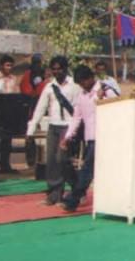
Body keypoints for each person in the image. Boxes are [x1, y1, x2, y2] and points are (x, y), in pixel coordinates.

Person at [26, 56, 82, 206]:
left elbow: (78, 108)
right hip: (53, 126)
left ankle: (77, 187)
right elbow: (40, 108)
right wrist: (31, 130)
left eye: (59, 69)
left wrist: (75, 129)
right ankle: (54, 194)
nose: (57, 72)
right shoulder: (49, 87)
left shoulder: (74, 86)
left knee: (62, 159)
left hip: (68, 126)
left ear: (65, 69)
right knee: (51, 160)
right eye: (54, 69)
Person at [60, 65, 99, 212]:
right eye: (80, 83)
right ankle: (75, 196)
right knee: (86, 169)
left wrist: (102, 98)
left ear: (91, 78)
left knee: (87, 169)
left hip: (104, 136)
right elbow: (76, 118)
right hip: (90, 137)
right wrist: (67, 137)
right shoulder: (81, 96)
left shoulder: (105, 90)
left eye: (84, 82)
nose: (83, 85)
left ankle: (72, 200)